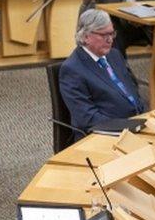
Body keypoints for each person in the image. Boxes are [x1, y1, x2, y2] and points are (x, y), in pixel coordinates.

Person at [59, 9, 146, 141]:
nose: (110, 40)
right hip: (105, 134)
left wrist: (144, 116)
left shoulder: (115, 55)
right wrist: (127, 126)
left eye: (112, 33)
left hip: (134, 123)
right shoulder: (72, 69)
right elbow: (88, 118)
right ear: (85, 37)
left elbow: (132, 89)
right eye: (104, 35)